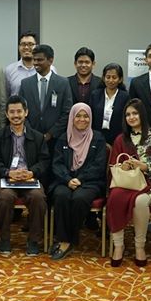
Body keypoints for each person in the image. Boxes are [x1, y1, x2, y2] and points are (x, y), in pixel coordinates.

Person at [105, 99, 151, 268]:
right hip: (128, 182)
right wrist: (124, 166)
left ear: (142, 114)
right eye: (128, 114)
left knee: (140, 201)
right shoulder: (121, 139)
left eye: (135, 113)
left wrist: (143, 166)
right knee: (114, 197)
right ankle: (118, 246)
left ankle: (139, 246)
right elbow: (113, 166)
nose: (131, 117)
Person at [0, 95, 50, 256]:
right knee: (5, 198)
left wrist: (32, 172)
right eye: (12, 112)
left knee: (38, 197)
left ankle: (33, 241)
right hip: (7, 179)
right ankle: (4, 239)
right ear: (6, 114)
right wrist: (8, 172)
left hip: (29, 178)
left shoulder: (38, 137)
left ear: (26, 112)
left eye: (19, 111)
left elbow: (44, 161)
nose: (16, 115)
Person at [48, 103, 107, 260]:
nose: (82, 119)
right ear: (72, 118)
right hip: (65, 180)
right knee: (61, 196)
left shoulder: (98, 138)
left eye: (86, 116)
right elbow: (57, 164)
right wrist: (68, 179)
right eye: (78, 116)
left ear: (91, 118)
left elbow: (99, 165)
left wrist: (80, 179)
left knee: (79, 198)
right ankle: (64, 239)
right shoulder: (63, 138)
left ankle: (68, 240)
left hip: (90, 182)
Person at [20, 44, 73, 149]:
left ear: (50, 60)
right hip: (31, 139)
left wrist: (50, 134)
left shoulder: (63, 83)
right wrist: (32, 133)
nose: (36, 63)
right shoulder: (26, 83)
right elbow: (21, 110)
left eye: (40, 60)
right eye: (34, 60)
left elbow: (67, 112)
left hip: (55, 140)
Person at [4, 31, 57, 96]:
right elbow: (6, 96)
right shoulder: (10, 70)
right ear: (19, 47)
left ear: (37, 47)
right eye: (23, 44)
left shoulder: (49, 69)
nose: (26, 47)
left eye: (30, 44)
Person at [91, 63, 129, 145]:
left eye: (114, 77)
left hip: (118, 137)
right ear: (103, 78)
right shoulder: (95, 95)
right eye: (108, 77)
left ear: (120, 79)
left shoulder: (125, 97)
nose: (111, 80)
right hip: (96, 137)